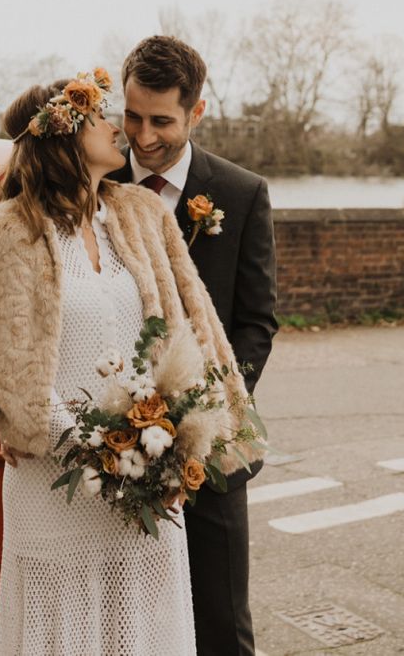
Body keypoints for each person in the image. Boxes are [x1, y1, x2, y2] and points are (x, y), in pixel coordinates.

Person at [0, 69, 257, 655]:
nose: (116, 126)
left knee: (143, 626)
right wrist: (97, 448)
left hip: (145, 478)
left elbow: (187, 325)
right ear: (64, 135)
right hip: (58, 481)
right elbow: (5, 363)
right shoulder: (7, 229)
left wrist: (174, 438)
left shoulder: (138, 214)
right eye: (99, 117)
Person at [108, 36, 278, 656]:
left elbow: (257, 322)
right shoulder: (93, 189)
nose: (142, 136)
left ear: (196, 114)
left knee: (221, 624)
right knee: (126, 622)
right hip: (115, 445)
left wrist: (200, 414)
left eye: (161, 121)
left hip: (211, 446)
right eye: (131, 116)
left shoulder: (241, 193)